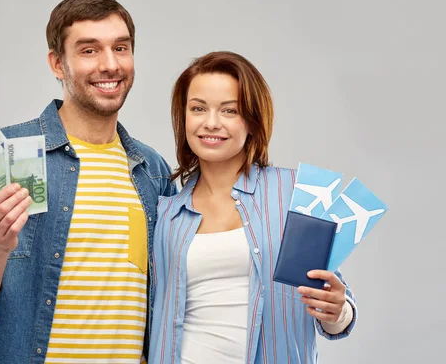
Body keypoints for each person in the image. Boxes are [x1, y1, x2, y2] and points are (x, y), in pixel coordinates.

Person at [0, 0, 176, 364]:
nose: (110, 64)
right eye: (89, 50)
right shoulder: (4, 153)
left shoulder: (153, 170)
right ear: (57, 63)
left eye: (121, 47)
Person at [149, 51, 357, 363]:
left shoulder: (295, 193)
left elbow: (335, 308)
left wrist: (338, 310)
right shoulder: (166, 213)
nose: (211, 123)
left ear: (252, 120)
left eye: (229, 110)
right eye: (198, 108)